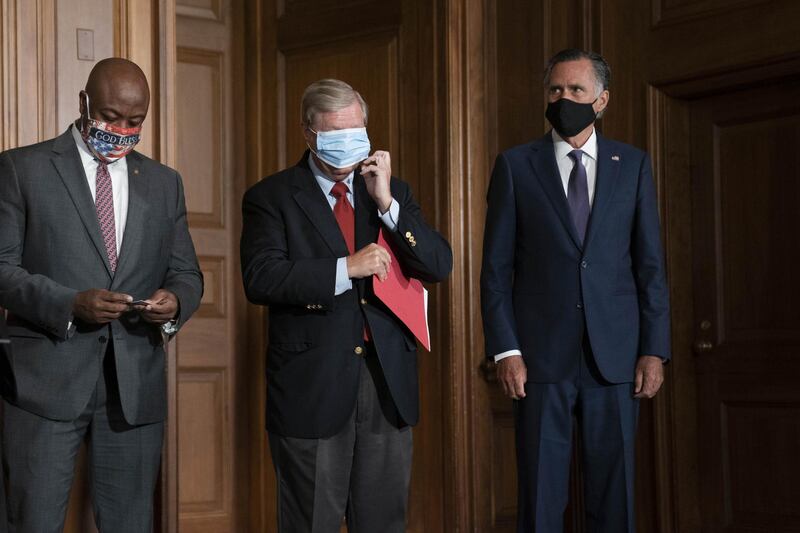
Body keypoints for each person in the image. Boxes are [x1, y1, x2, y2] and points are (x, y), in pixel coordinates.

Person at [0, 58, 203, 532]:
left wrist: (173, 304)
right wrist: (68, 304)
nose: (123, 129)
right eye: (111, 117)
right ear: (83, 103)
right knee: (32, 521)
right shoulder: (20, 169)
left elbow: (187, 273)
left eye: (135, 122)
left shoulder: (164, 182)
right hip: (43, 384)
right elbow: (2, 269)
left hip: (133, 388)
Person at [241, 78, 452, 532]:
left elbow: (437, 263)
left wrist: (388, 204)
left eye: (356, 134)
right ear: (308, 133)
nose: (347, 146)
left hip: (385, 386)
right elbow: (261, 278)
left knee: (382, 522)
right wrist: (344, 269)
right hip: (311, 387)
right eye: (335, 136)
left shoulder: (391, 191)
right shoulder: (271, 197)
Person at [480, 49, 671, 532]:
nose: (563, 98)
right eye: (554, 90)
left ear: (601, 101)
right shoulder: (515, 166)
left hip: (616, 360)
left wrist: (654, 350)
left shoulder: (632, 165)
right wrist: (506, 350)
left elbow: (650, 267)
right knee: (540, 500)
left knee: (615, 498)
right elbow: (496, 271)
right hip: (539, 360)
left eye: (576, 90)